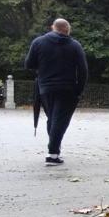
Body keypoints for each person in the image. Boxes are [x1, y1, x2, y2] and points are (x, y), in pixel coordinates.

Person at [25, 18, 88, 166]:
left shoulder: (38, 42)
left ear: (53, 27)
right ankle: (52, 154)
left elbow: (28, 64)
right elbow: (83, 70)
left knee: (53, 119)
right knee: (60, 120)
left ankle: (55, 149)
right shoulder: (75, 45)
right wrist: (79, 90)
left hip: (45, 88)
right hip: (68, 89)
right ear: (68, 30)